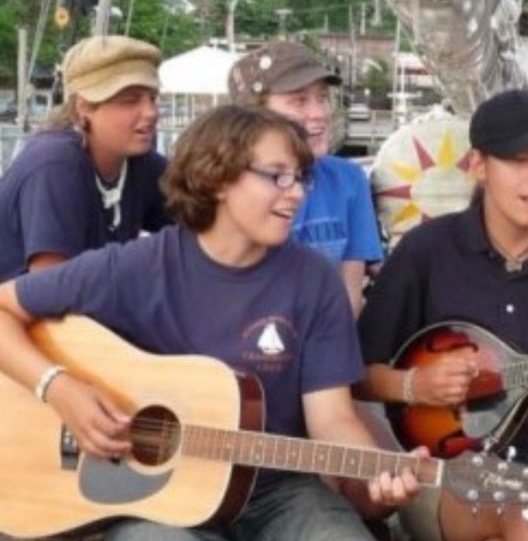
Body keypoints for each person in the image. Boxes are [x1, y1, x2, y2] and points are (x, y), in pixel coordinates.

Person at [0, 105, 419, 541]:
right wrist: (58, 388)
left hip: (277, 492)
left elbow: (331, 418)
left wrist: (377, 472)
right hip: (156, 505)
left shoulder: (315, 281)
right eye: (277, 176)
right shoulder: (135, 268)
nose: (296, 193)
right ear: (217, 179)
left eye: (300, 178)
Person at [357, 89, 528, 541]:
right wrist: (414, 385)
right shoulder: (427, 251)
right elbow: (358, 376)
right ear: (479, 166)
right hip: (448, 468)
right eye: (519, 161)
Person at [229, 41, 383, 315]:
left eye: (322, 98)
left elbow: (350, 296)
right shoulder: (228, 185)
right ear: (255, 113)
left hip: (327, 333)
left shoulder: (349, 180)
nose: (319, 114)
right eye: (299, 101)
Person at [0, 35, 169, 281]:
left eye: (152, 98)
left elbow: (202, 218)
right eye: (130, 101)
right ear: (84, 107)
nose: (151, 112)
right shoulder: (56, 165)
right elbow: (51, 288)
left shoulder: (138, 163)